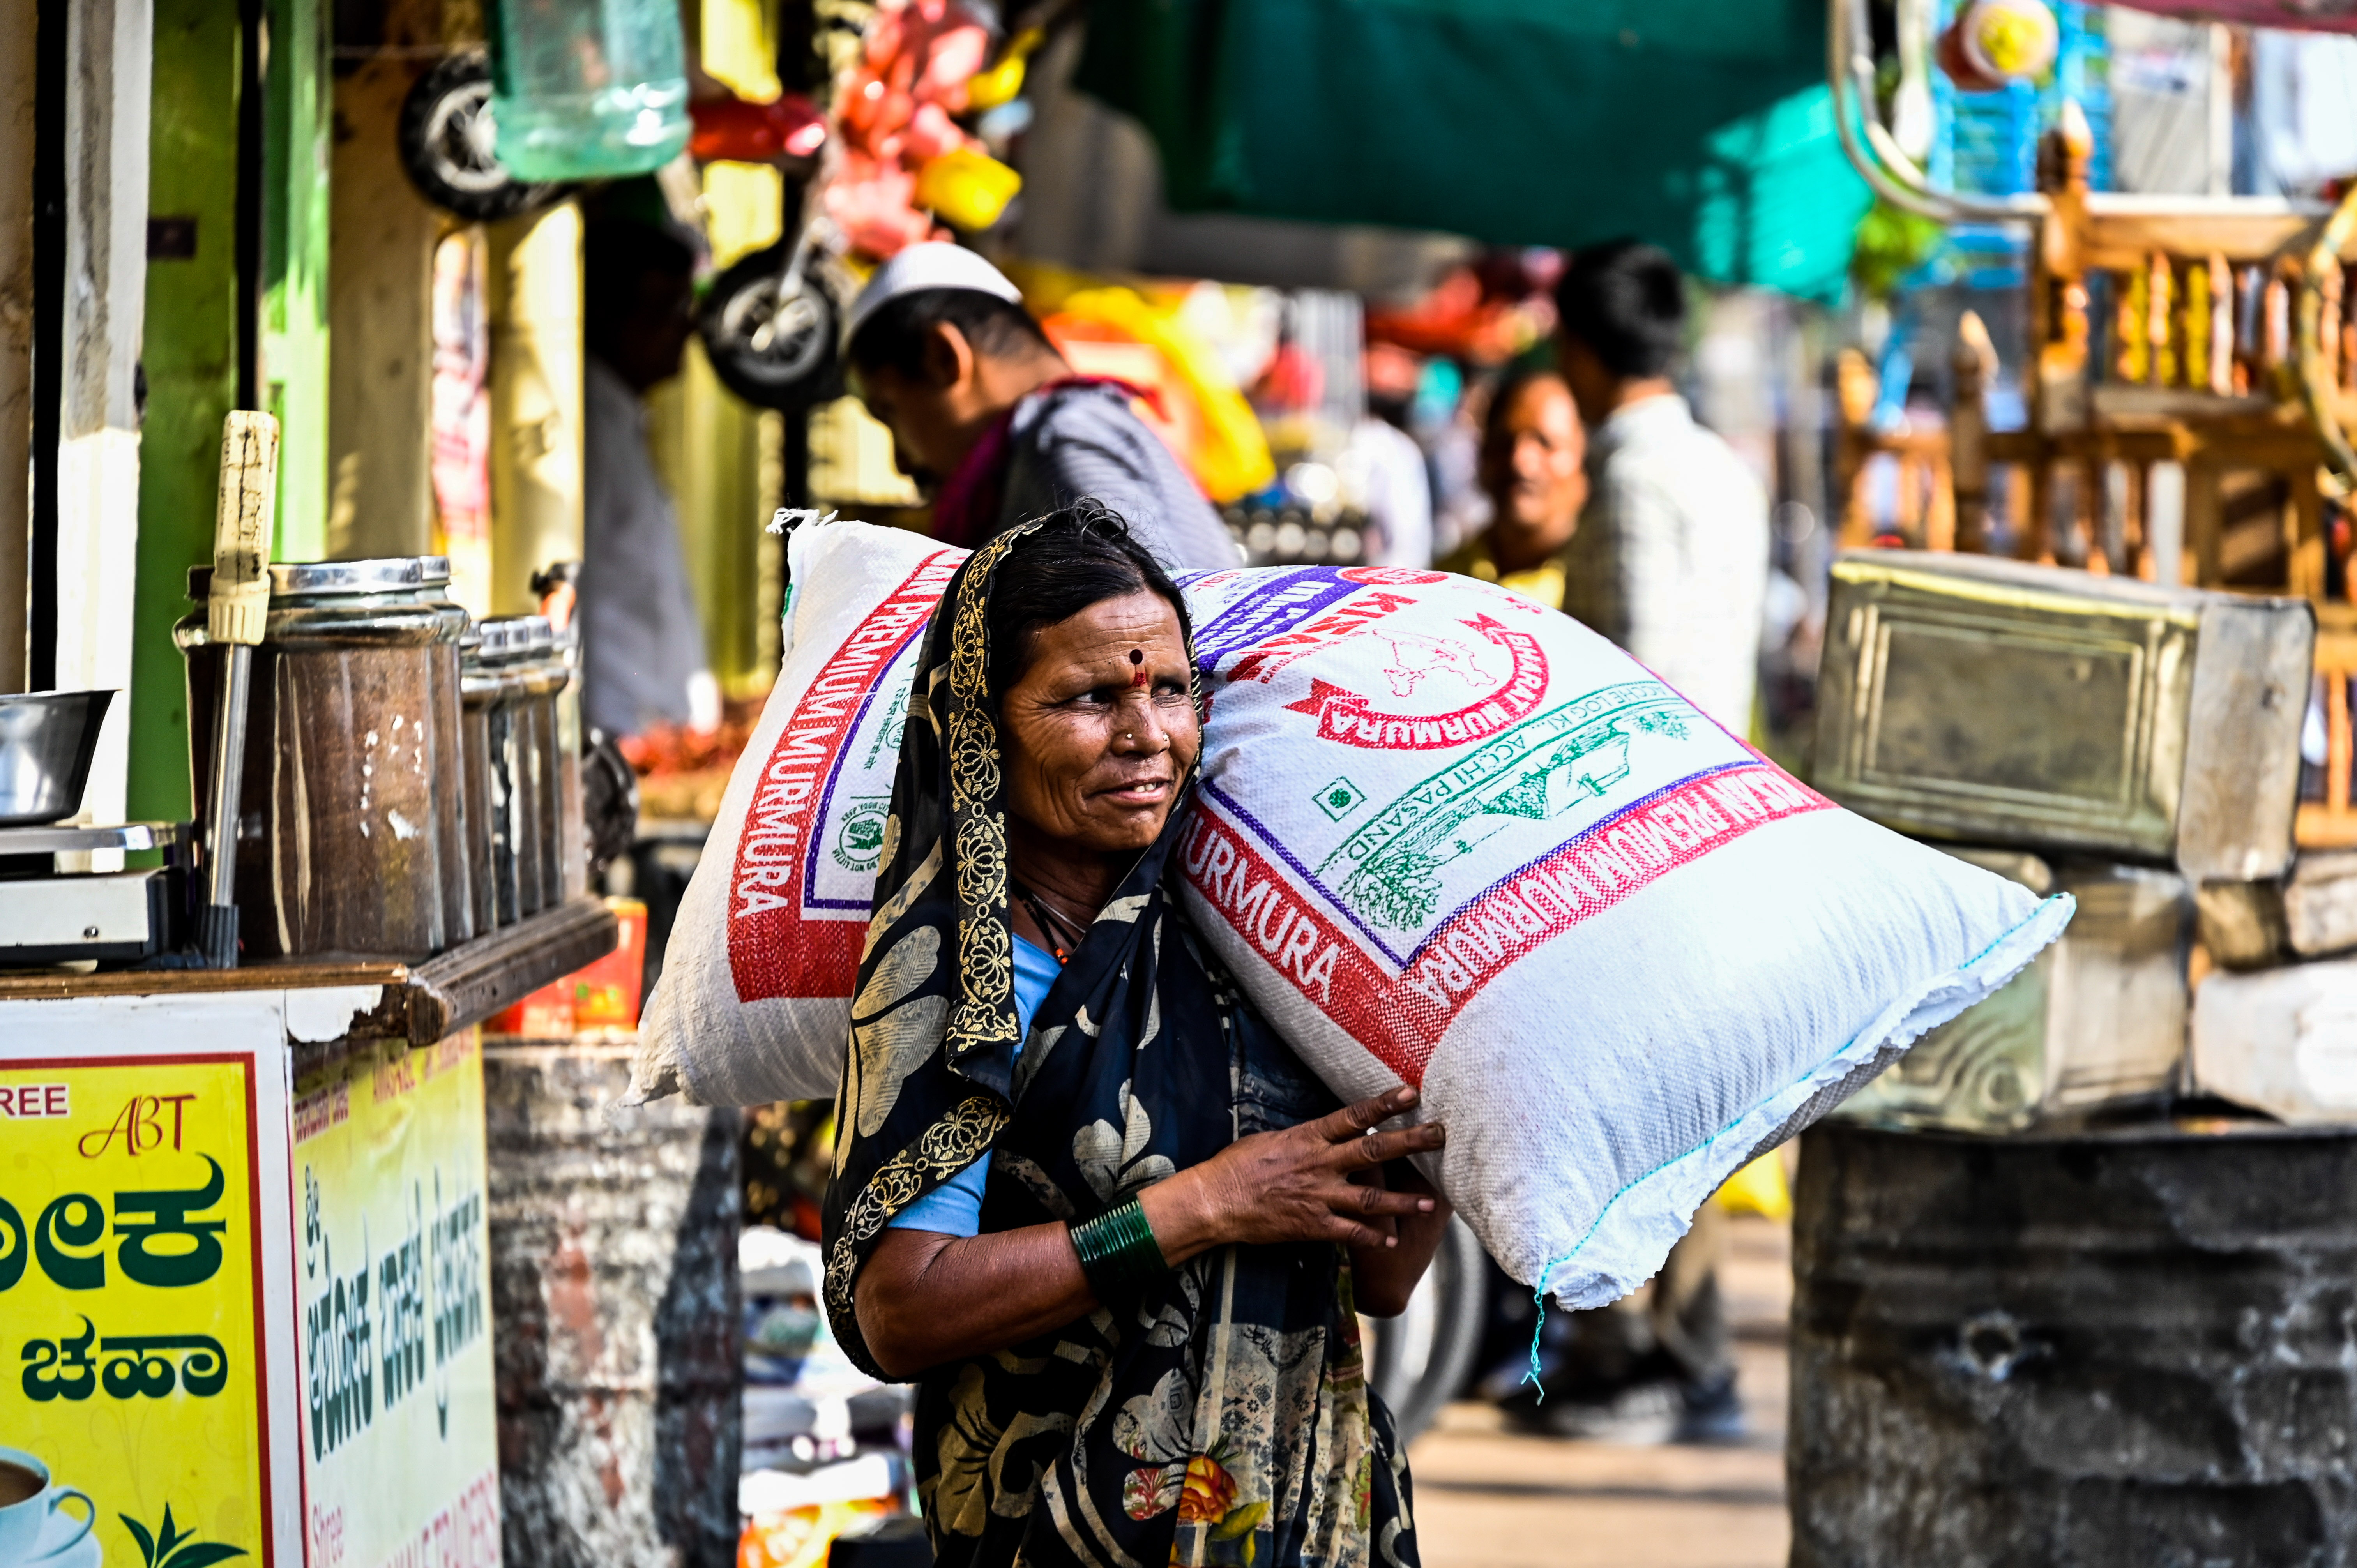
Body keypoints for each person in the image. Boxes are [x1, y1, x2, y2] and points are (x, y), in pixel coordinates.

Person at [823, 500, 1447, 1567]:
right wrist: (1203, 1207)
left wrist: (1443, 1108)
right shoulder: (959, 975)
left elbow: (1382, 1283)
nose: (1148, 734)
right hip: (1060, 1531)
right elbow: (902, 1307)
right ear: (982, 726)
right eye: (1090, 698)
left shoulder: (1253, 936)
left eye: (1169, 690)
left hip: (1305, 1521)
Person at [843, 244, 1241, 572]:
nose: (902, 462)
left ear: (942, 358)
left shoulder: (1063, 441)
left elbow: (1141, 623)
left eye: (889, 412)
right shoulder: (1070, 433)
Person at [1553, 240, 1769, 736]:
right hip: (1718, 761)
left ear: (1579, 349)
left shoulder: (1633, 481)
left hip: (1650, 769)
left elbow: (1634, 686)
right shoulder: (1726, 467)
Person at [578, 217, 719, 740]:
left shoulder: (621, 422)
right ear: (607, 316)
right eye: (666, 310)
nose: (686, 330)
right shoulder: (589, 433)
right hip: (619, 736)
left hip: (652, 737)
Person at [1435, 367, 1587, 599]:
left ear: (1583, 455)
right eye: (1504, 442)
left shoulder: (1601, 582)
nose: (1520, 461)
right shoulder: (1445, 583)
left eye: (1546, 443)